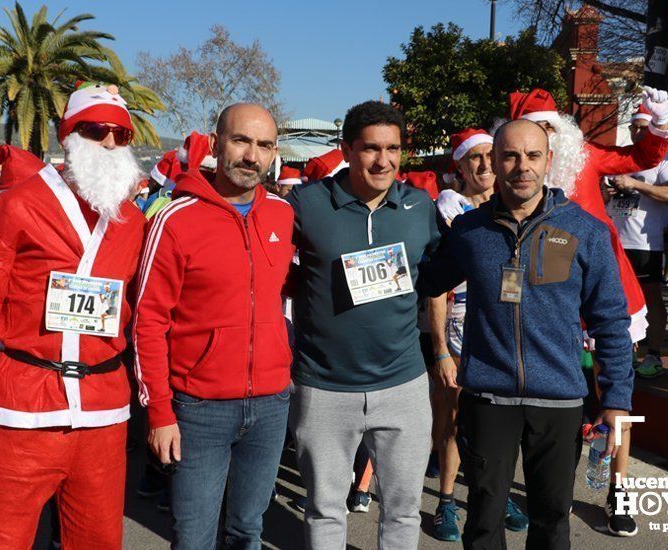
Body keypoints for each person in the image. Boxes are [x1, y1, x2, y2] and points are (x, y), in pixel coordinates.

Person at [0, 82, 146, 549]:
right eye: (97, 131)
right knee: (1, 538)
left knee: (97, 538)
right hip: (24, 407)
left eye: (122, 134)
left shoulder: (132, 221)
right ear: (69, 134)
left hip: (102, 407)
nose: (111, 142)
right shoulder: (14, 207)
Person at [421, 119, 633, 550]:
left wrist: (615, 400)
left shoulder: (584, 230)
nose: (522, 167)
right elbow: (424, 279)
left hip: (559, 401)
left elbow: (610, 322)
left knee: (552, 521)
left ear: (548, 161)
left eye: (533, 156)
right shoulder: (469, 231)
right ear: (495, 162)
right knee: (483, 520)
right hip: (488, 399)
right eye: (511, 156)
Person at [135, 103, 294, 549]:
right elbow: (148, 322)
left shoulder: (282, 214)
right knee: (194, 538)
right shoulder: (174, 219)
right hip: (199, 410)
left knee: (249, 531)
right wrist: (160, 412)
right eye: (242, 140)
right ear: (215, 142)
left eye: (264, 145)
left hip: (270, 405)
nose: (252, 156)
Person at [287, 101, 440, 549]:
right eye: (371, 148)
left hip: (403, 385)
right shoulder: (307, 203)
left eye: (393, 148)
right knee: (324, 508)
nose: (384, 160)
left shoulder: (419, 205)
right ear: (347, 150)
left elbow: (439, 274)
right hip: (324, 387)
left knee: (403, 509)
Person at [508, 87, 668, 342]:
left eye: (549, 126)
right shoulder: (515, 169)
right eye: (537, 128)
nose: (546, 134)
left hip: (593, 265)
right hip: (540, 271)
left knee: (607, 347)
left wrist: (661, 122)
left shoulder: (585, 155)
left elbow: (641, 157)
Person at [428, 128, 528, 541]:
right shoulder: (448, 212)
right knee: (451, 421)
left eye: (491, 156)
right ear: (461, 167)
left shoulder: (518, 208)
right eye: (475, 158)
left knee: (500, 424)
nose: (485, 165)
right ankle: (447, 502)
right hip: (458, 325)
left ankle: (497, 493)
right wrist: (440, 353)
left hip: (503, 326)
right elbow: (435, 290)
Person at [605, 105, 668, 378]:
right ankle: (626, 352)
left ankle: (654, 354)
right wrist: (608, 190)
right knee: (616, 299)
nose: (637, 132)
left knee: (651, 299)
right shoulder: (623, 154)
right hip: (615, 239)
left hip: (645, 243)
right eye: (633, 127)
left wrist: (635, 184)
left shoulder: (666, 158)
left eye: (642, 127)